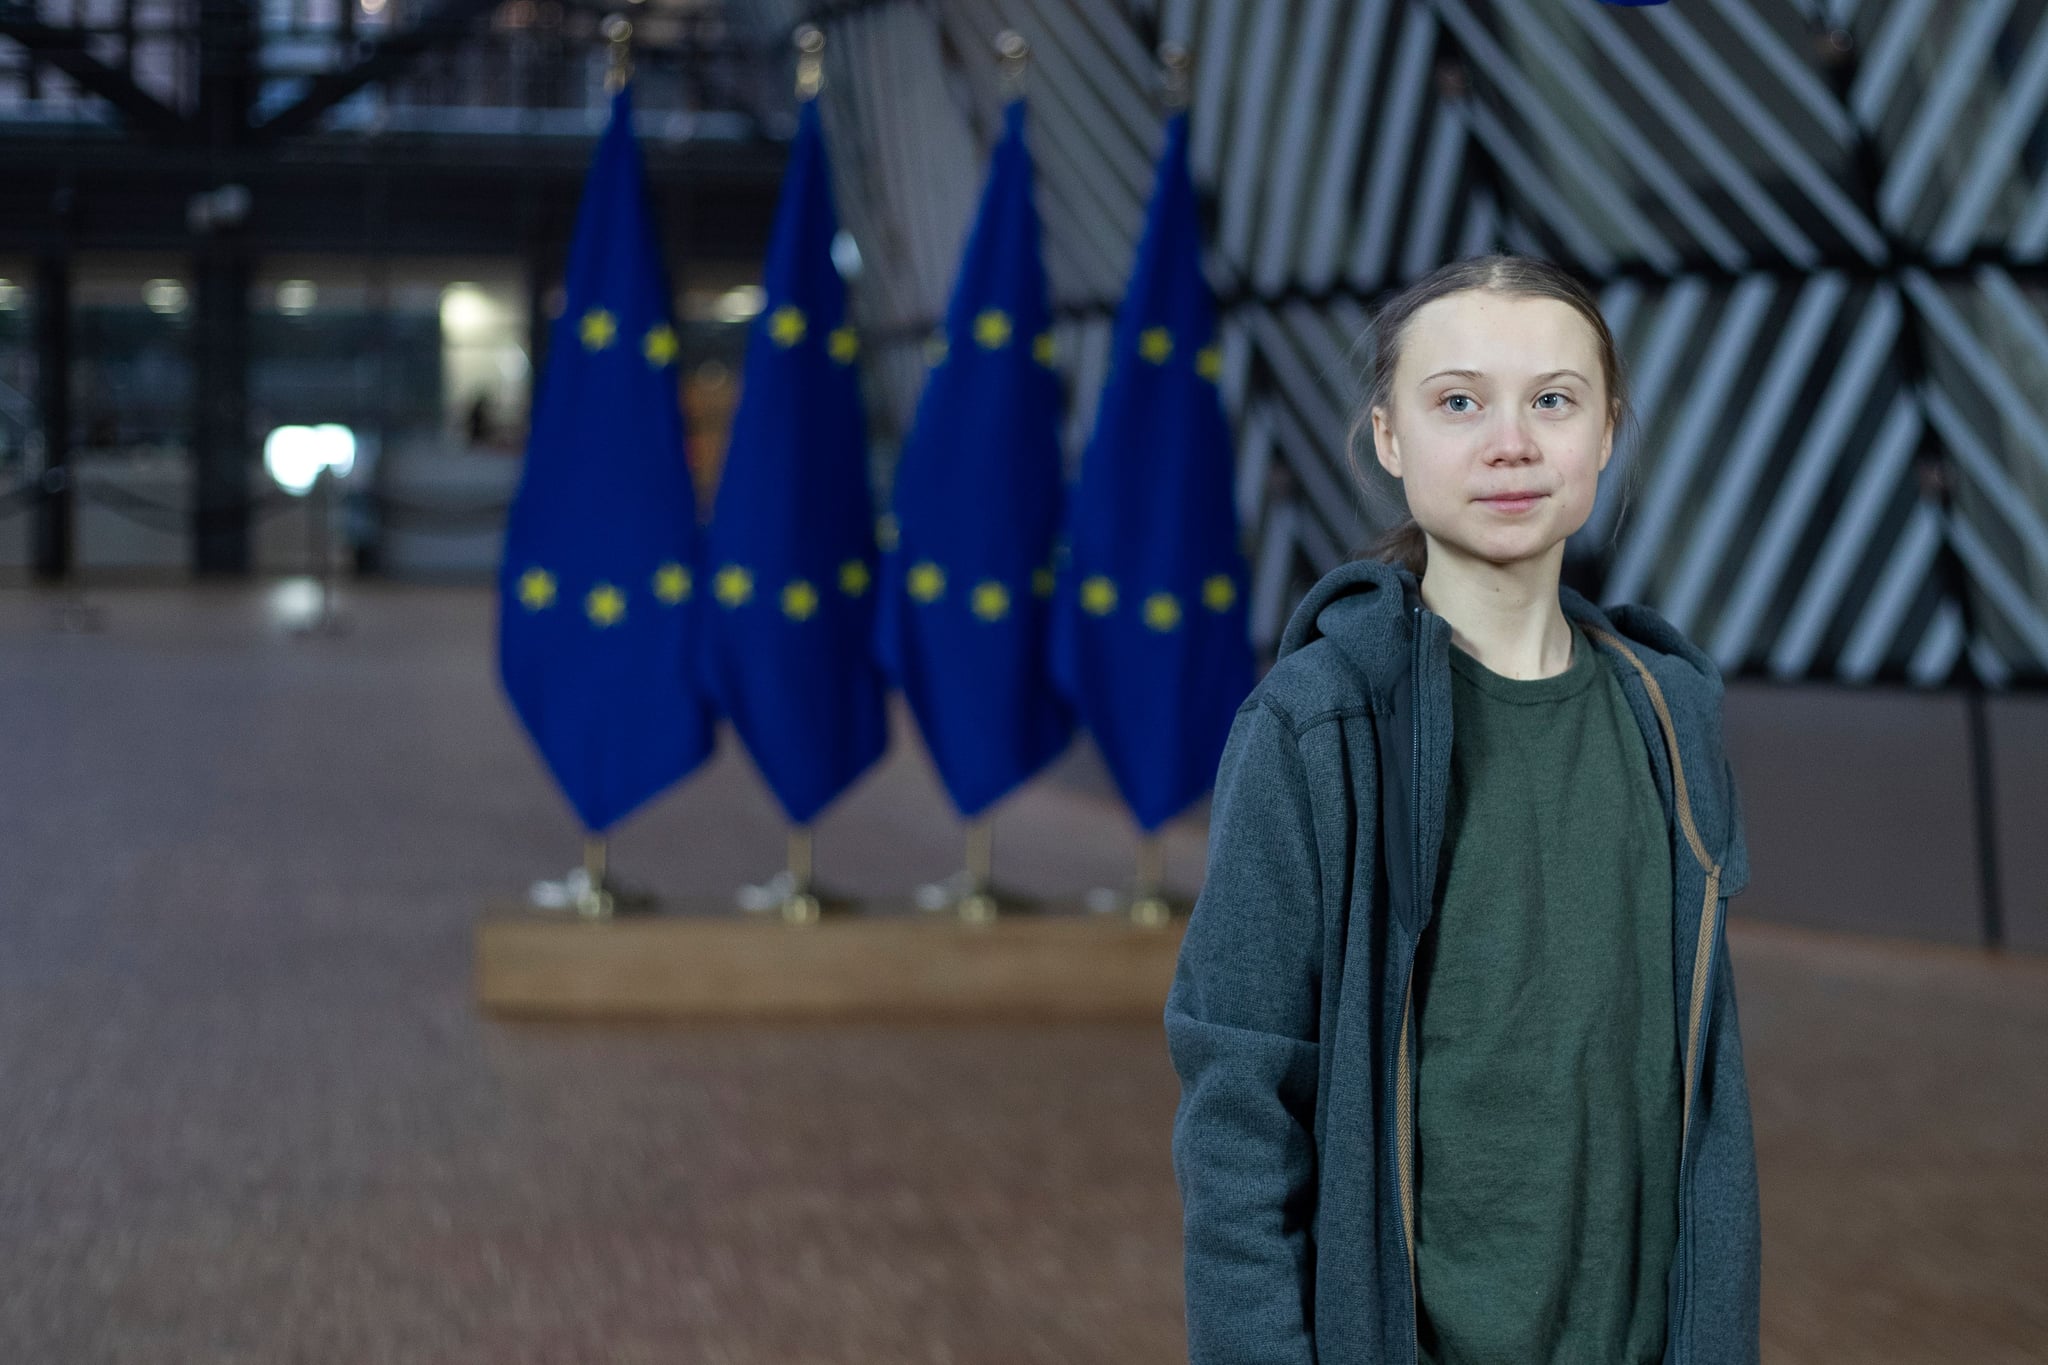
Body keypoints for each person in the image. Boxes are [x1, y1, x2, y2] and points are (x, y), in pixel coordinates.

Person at [1164, 253, 1758, 1365]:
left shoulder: (1668, 721)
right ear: (1389, 437)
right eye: (1457, 403)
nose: (1510, 443)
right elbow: (1240, 1108)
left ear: (1605, 431)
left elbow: (1708, 1100)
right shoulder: (1319, 725)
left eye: (1552, 400)